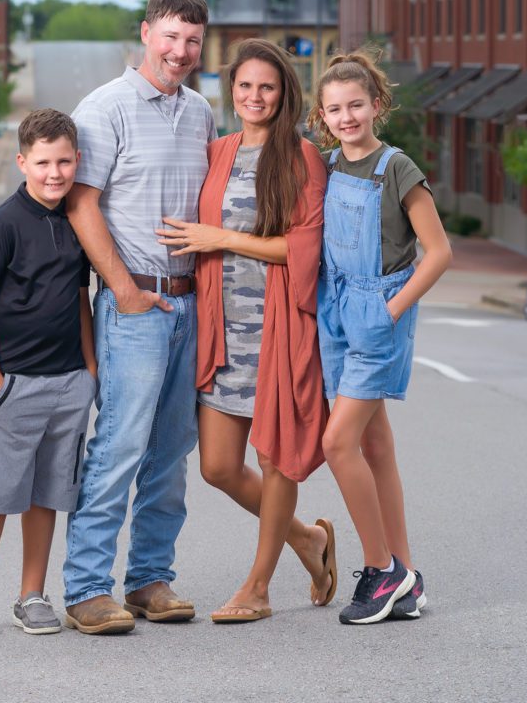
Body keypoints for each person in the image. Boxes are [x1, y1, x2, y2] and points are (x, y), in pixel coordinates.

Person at [158, 39, 333, 624]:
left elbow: (305, 248)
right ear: (230, 90)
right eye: (245, 86)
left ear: (283, 94)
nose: (254, 96)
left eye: (267, 87)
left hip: (281, 327)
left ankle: (258, 586)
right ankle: (308, 539)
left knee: (276, 456)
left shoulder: (302, 158)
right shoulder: (219, 151)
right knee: (219, 467)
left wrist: (222, 239)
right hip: (223, 329)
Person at [62, 0, 216, 635]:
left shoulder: (203, 111)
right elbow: (80, 204)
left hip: (190, 302)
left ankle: (151, 578)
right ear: (147, 32)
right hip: (136, 305)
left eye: (192, 42)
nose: (180, 52)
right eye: (171, 37)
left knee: (171, 451)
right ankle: (87, 588)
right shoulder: (106, 107)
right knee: (120, 445)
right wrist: (122, 289)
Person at [306, 50, 452, 625]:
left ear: (377, 105)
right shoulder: (324, 165)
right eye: (335, 108)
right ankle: (408, 580)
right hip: (333, 311)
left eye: (356, 105)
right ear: (322, 114)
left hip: (377, 313)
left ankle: (380, 568)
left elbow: (438, 254)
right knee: (375, 446)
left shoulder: (398, 168)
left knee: (337, 443)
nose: (347, 117)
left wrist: (388, 311)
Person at [0, 109, 96, 641]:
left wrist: (90, 369)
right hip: (15, 384)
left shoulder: (78, 222)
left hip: (69, 383)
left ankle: (31, 594)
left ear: (76, 160)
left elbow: (80, 298)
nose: (54, 173)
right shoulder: (3, 224)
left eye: (63, 161)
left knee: (47, 495)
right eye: (43, 163)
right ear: (22, 162)